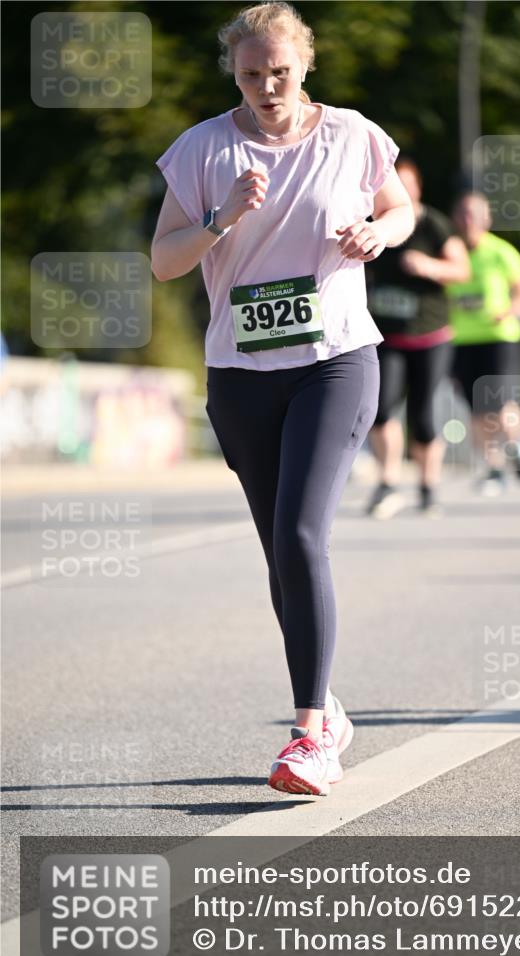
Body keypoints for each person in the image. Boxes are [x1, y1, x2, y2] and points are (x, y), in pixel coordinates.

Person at [151, 2, 413, 796]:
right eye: (250, 74)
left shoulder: (352, 134)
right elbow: (164, 261)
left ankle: (308, 736)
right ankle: (326, 706)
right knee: (280, 550)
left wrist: (379, 233)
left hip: (334, 360)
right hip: (240, 373)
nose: (267, 87)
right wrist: (218, 218)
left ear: (305, 66)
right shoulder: (203, 148)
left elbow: (399, 207)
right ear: (232, 73)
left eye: (280, 72)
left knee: (301, 534)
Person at [365, 158, 470, 518]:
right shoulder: (373, 224)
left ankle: (428, 487)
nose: (401, 190)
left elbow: (461, 269)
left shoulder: (433, 224)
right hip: (388, 336)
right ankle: (388, 482)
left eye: (407, 184)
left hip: (430, 335)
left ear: (417, 188)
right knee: (380, 410)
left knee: (423, 415)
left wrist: (429, 267)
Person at [448, 192, 520, 495]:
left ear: (486, 219)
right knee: (476, 410)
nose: (468, 221)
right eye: (463, 214)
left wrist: (511, 311)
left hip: (499, 337)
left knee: (499, 401)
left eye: (474, 214)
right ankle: (493, 469)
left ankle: (519, 446)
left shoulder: (501, 252)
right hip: (462, 340)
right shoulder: (450, 252)